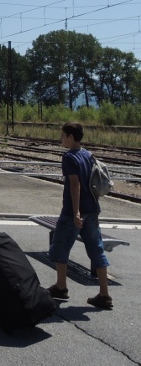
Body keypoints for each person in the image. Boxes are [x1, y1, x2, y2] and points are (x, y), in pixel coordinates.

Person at [47, 122, 112, 309]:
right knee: (96, 249)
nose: (61, 138)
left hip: (72, 212)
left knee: (59, 246)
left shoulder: (69, 157)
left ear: (70, 137)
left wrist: (75, 212)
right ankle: (104, 294)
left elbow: (75, 185)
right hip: (92, 209)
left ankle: (61, 287)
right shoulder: (87, 155)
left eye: (62, 135)